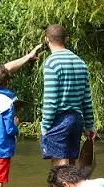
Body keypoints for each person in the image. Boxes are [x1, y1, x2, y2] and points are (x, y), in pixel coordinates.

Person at [40, 25, 96, 170]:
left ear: (47, 40)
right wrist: (89, 125)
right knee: (71, 169)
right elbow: (86, 99)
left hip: (59, 120)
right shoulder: (80, 62)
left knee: (60, 171)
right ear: (66, 39)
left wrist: (45, 126)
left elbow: (51, 100)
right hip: (76, 120)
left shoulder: (51, 62)